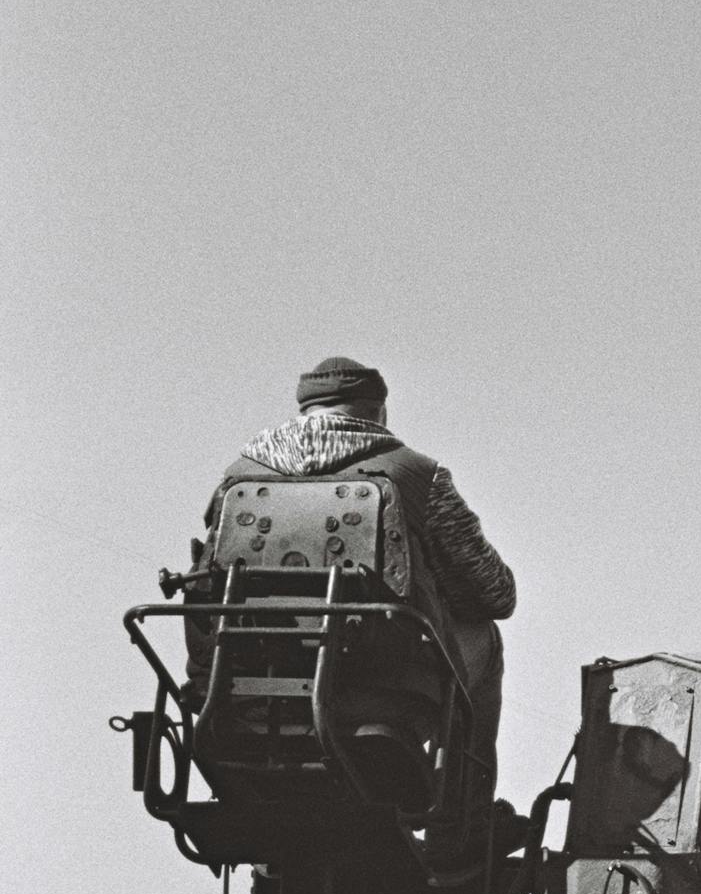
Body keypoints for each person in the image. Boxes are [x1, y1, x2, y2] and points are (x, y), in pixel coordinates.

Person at [202, 355, 516, 855]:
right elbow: (495, 594)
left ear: (304, 410)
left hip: (247, 690)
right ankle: (459, 831)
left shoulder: (236, 479)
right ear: (378, 413)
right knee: (487, 640)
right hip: (383, 693)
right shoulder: (415, 475)